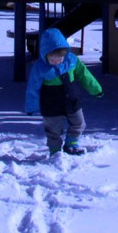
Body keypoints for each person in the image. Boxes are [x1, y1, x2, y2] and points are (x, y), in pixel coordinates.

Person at [24, 27, 102, 155]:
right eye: (52, 59)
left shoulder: (72, 61)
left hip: (71, 101)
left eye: (59, 58)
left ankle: (71, 144)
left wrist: (96, 89)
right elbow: (33, 88)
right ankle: (54, 150)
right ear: (45, 54)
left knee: (79, 123)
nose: (56, 62)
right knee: (53, 130)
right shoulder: (40, 68)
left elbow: (85, 76)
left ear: (65, 53)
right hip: (51, 104)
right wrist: (31, 107)